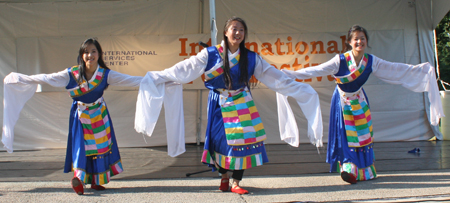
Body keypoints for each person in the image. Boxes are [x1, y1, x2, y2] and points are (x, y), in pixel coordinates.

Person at [134, 17, 323, 194]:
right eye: (234, 29)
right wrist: (158, 76)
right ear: (226, 32)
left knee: (244, 142)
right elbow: (185, 68)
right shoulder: (209, 54)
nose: (238, 33)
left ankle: (236, 182)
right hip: (219, 103)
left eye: (242, 30)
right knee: (220, 142)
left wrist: (299, 88)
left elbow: (273, 75)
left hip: (242, 102)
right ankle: (223, 176)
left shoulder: (250, 57)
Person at [282, 25, 444, 184]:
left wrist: (420, 70)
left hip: (359, 100)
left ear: (366, 41)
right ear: (349, 42)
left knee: (363, 134)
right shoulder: (340, 60)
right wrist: (290, 74)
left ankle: (364, 170)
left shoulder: (371, 61)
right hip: (343, 102)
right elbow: (315, 70)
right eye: (356, 39)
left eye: (362, 38)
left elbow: (395, 69)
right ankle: (348, 168)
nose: (359, 42)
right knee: (345, 134)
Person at [2, 38, 143, 195]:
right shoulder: (71, 74)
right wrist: (20, 78)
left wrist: (160, 81)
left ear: (99, 54)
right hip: (80, 116)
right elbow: (46, 78)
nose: (90, 55)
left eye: (93, 51)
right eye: (86, 52)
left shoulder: (105, 74)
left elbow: (132, 80)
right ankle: (79, 179)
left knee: (101, 147)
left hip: (99, 116)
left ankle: (96, 180)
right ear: (82, 55)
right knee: (81, 147)